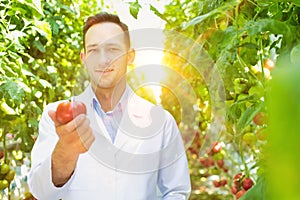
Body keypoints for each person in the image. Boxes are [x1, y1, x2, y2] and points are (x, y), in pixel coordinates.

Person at [28, 12, 191, 199]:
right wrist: (66, 150)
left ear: (130, 56)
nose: (103, 59)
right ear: (84, 58)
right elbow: (41, 192)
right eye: (94, 50)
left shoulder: (161, 122)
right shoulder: (56, 116)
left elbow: (176, 190)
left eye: (113, 49)